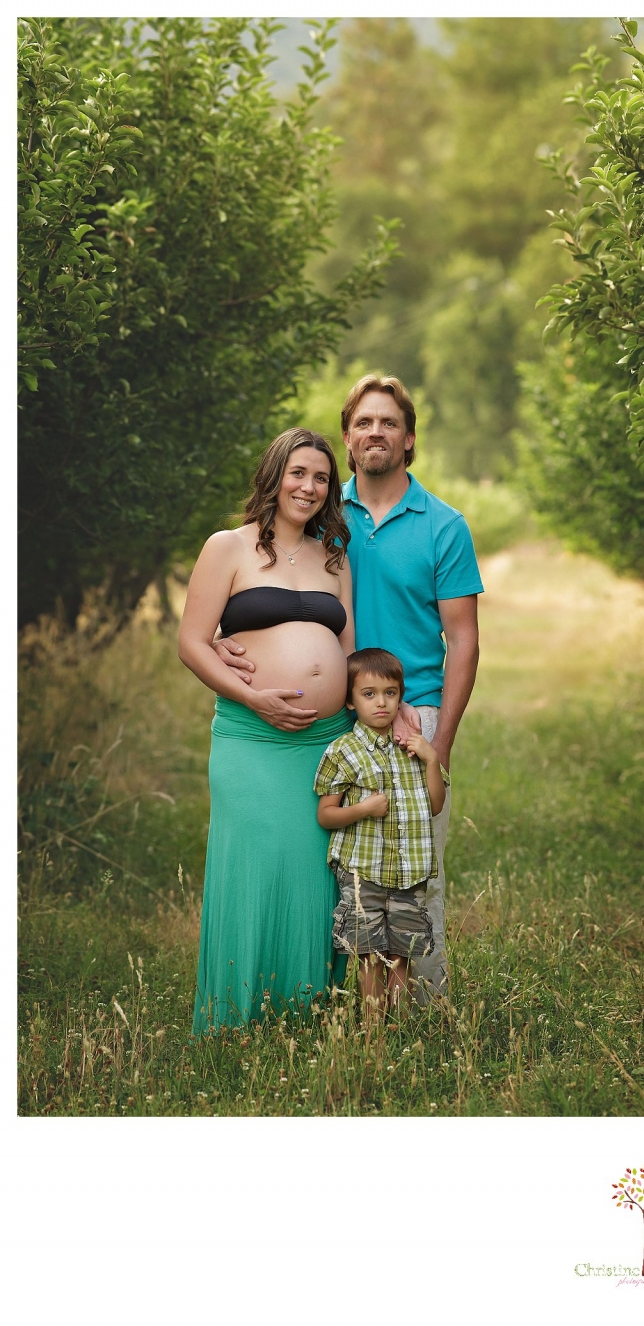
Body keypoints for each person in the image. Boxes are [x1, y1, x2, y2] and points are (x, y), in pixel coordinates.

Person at [217, 375, 483, 1000]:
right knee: (343, 862)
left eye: (388, 422)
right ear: (347, 437)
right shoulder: (320, 516)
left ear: (409, 438)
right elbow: (260, 574)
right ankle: (344, 997)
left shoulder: (444, 526)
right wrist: (232, 637)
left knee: (414, 865)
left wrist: (439, 737)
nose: (375, 433)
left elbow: (464, 641)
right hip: (333, 717)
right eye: (363, 423)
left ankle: (421, 1004)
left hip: (410, 711)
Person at [178, 427, 356, 1032]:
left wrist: (380, 718)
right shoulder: (227, 547)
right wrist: (256, 698)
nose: (309, 487)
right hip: (251, 736)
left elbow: (347, 650)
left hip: (322, 740)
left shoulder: (335, 555)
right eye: (298, 473)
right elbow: (192, 644)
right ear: (274, 475)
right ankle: (236, 1015)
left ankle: (304, 1008)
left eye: (322, 478)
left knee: (312, 869)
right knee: (253, 860)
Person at [314, 648, 449, 1016]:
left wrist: (432, 758)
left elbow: (434, 805)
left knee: (401, 953)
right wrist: (362, 809)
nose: (382, 703)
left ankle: (396, 1024)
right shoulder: (343, 751)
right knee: (369, 954)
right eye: (369, 694)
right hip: (364, 873)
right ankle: (373, 1029)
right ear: (350, 701)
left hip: (408, 874)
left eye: (390, 693)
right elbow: (326, 815)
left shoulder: (412, 748)